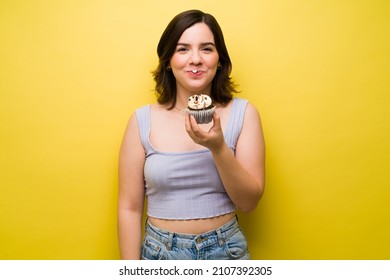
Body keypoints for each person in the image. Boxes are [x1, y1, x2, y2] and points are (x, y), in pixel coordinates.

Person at [118, 9, 265, 260]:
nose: (195, 59)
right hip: (160, 254)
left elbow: (249, 202)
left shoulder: (245, 113)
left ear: (219, 60)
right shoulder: (141, 121)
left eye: (206, 49)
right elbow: (129, 209)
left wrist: (218, 148)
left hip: (226, 251)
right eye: (182, 49)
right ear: (167, 60)